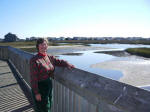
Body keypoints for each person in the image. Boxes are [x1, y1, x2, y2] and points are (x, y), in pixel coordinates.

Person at [30, 38, 74, 112]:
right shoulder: (34, 60)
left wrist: (67, 64)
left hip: (49, 85)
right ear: (37, 46)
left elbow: (58, 61)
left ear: (47, 46)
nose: (43, 46)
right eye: (41, 44)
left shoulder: (49, 57)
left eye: (45, 44)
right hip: (40, 86)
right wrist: (36, 93)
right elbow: (33, 77)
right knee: (43, 108)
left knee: (49, 104)